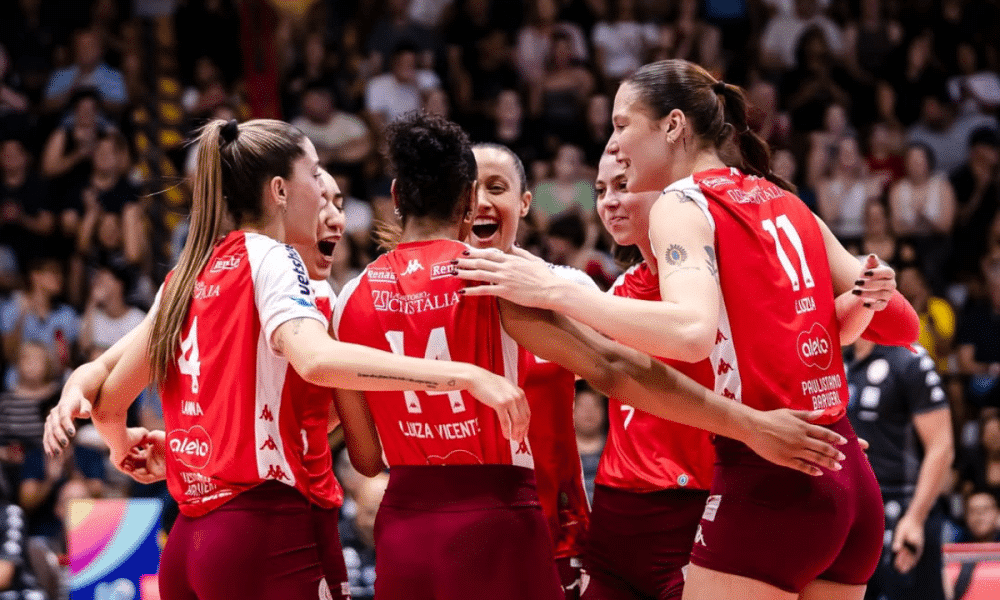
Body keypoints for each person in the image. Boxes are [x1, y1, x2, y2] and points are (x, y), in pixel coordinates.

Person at [456, 59, 922, 600]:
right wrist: (872, 289)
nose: (615, 142)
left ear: (673, 126)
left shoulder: (682, 202)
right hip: (844, 472)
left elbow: (689, 332)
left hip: (770, 481)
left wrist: (556, 291)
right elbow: (901, 323)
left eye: (622, 124)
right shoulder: (782, 198)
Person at [334, 112, 849, 600]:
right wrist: (755, 424)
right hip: (501, 519)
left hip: (404, 527)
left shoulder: (349, 298)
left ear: (396, 195)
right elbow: (616, 371)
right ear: (468, 202)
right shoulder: (502, 284)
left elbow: (365, 457)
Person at [46, 118, 528, 600]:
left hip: (191, 536)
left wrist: (121, 439)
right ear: (280, 191)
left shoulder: (191, 272)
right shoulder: (277, 265)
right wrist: (462, 376)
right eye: (317, 180)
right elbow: (317, 362)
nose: (328, 205)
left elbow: (108, 390)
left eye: (338, 199)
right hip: (263, 528)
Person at [469, 142, 594, 598]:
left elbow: (620, 369)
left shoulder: (569, 288)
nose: (481, 200)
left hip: (552, 524)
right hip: (465, 520)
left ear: (525, 203)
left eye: (496, 188)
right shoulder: (428, 295)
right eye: (469, 188)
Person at [846, 340, 954, 600]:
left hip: (902, 512)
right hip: (852, 515)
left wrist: (915, 518)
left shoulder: (909, 358)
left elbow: (941, 446)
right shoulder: (837, 358)